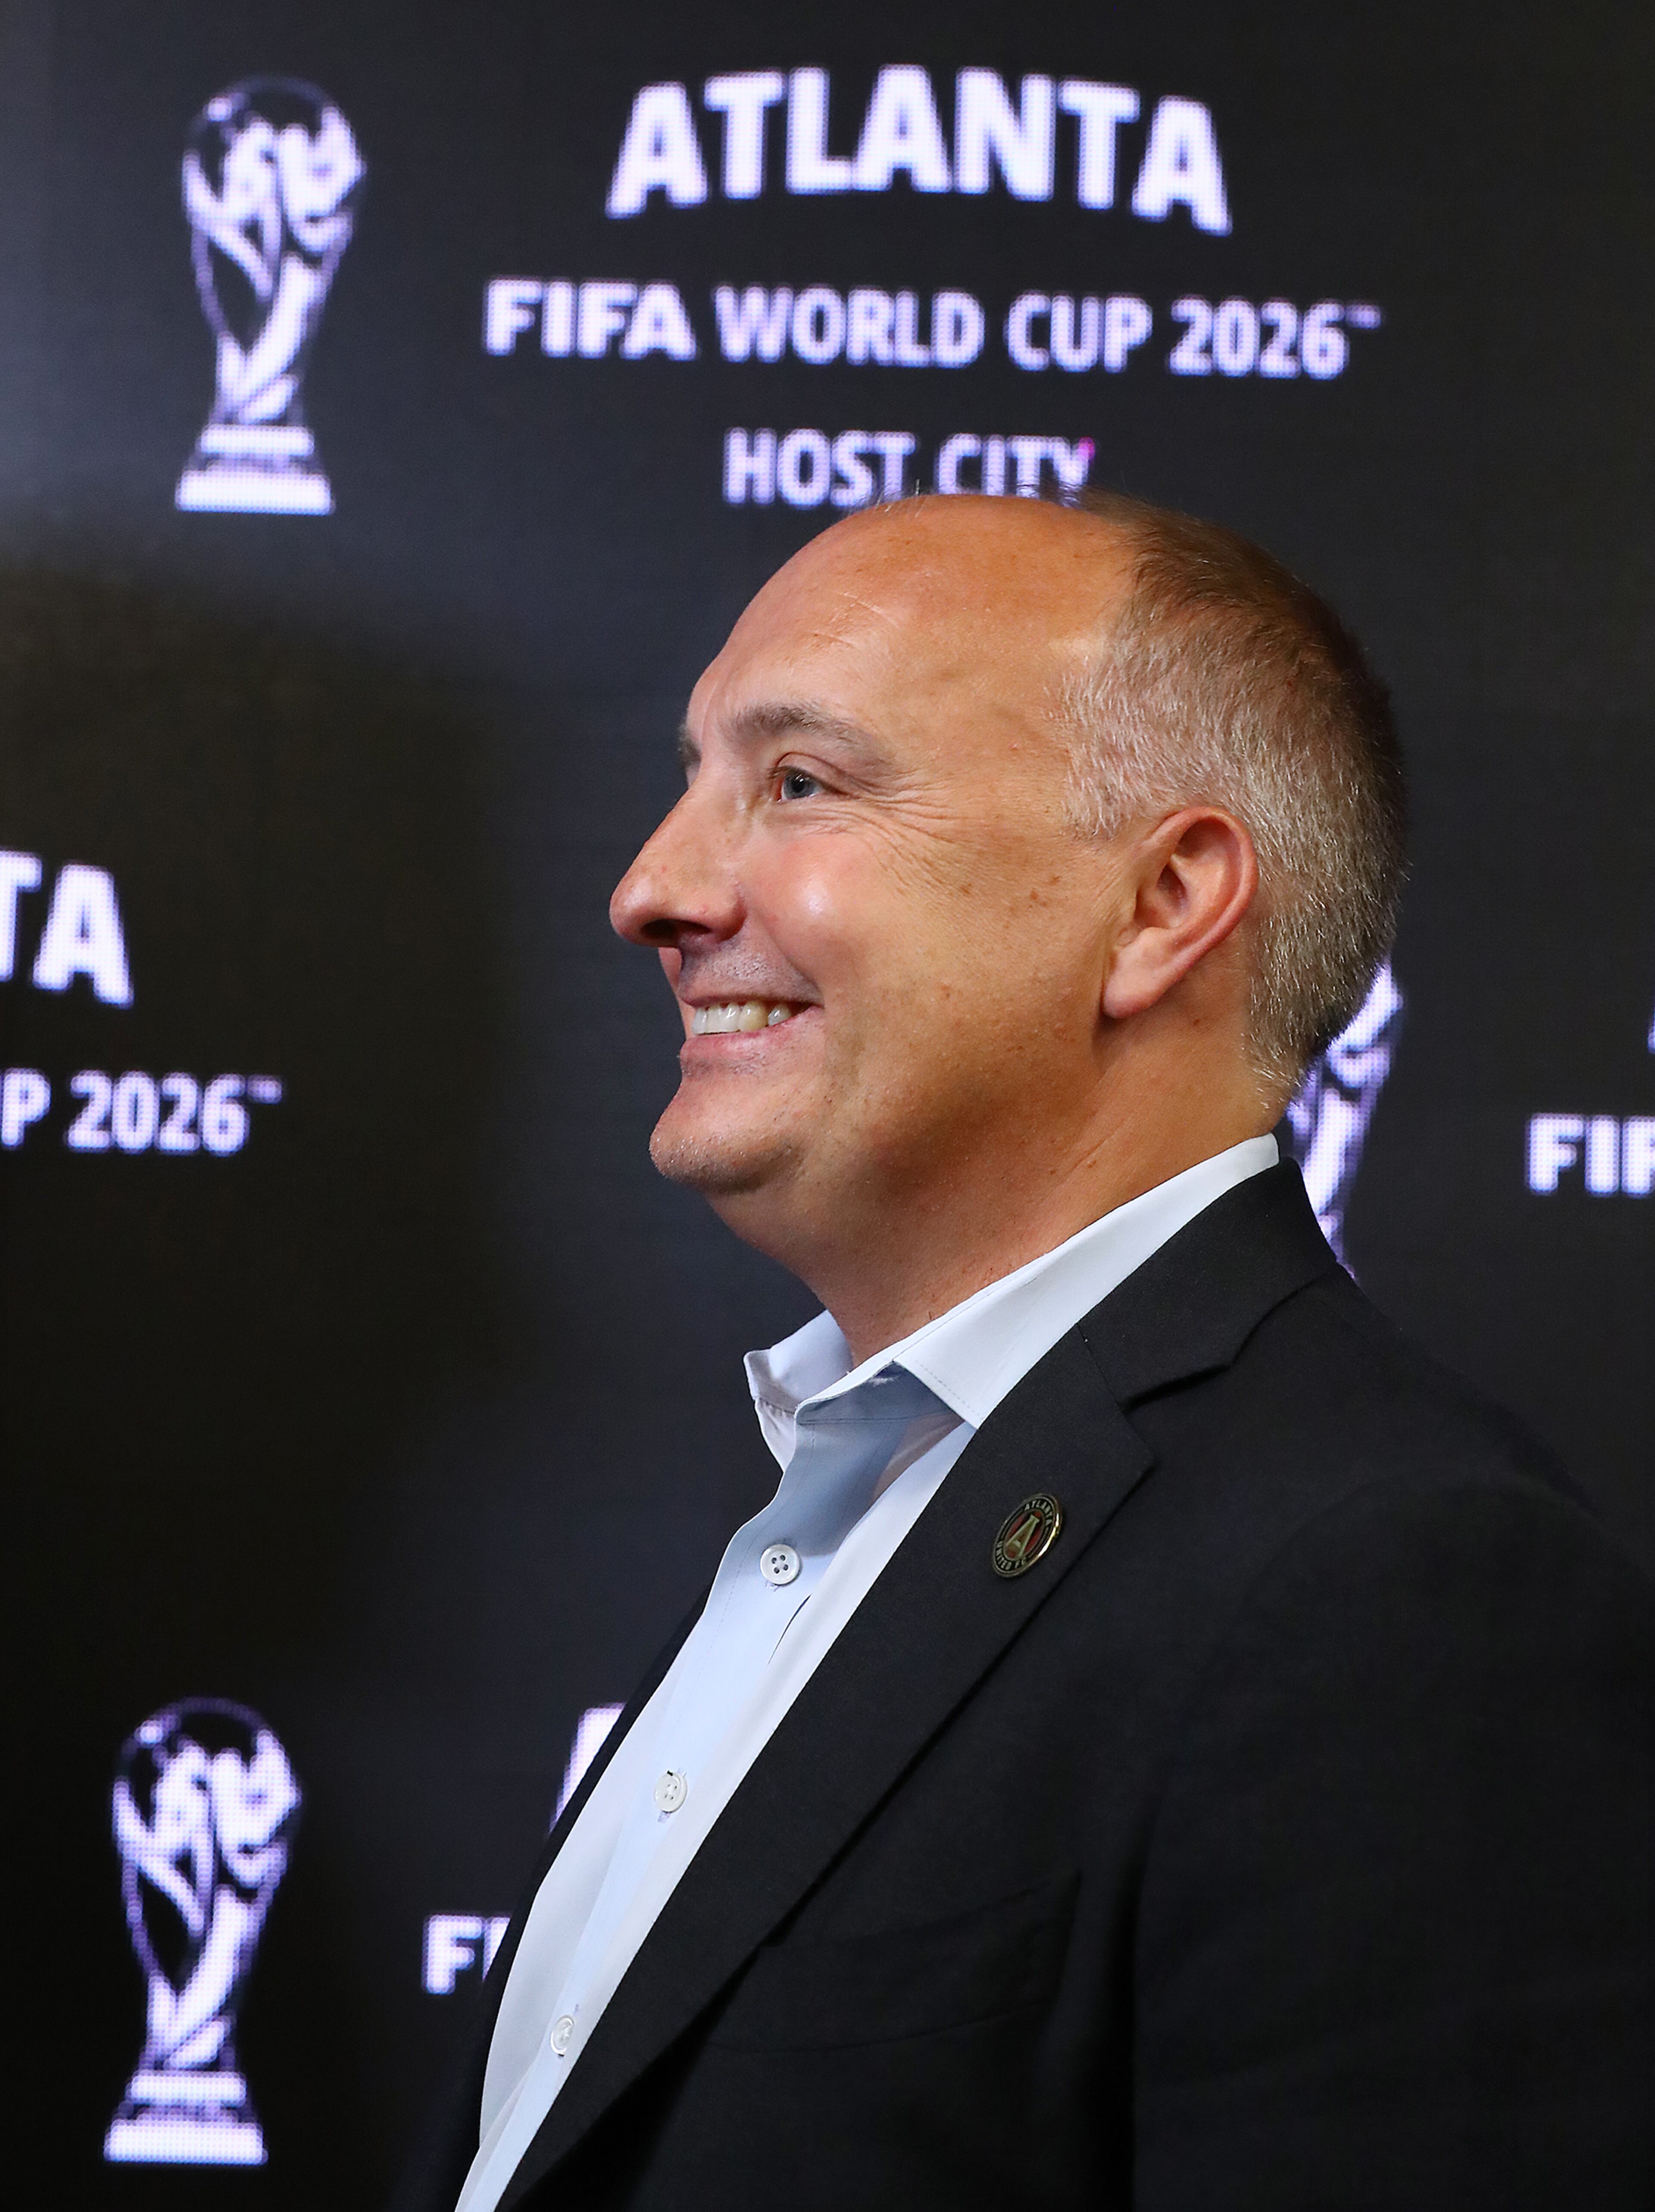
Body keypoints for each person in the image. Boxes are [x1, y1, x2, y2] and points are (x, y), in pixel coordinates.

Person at [401, 493, 1655, 2212]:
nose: (653, 888)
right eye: (692, 777)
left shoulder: (1397, 1581)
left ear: (1163, 903)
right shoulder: (859, 1493)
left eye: (799, 783)